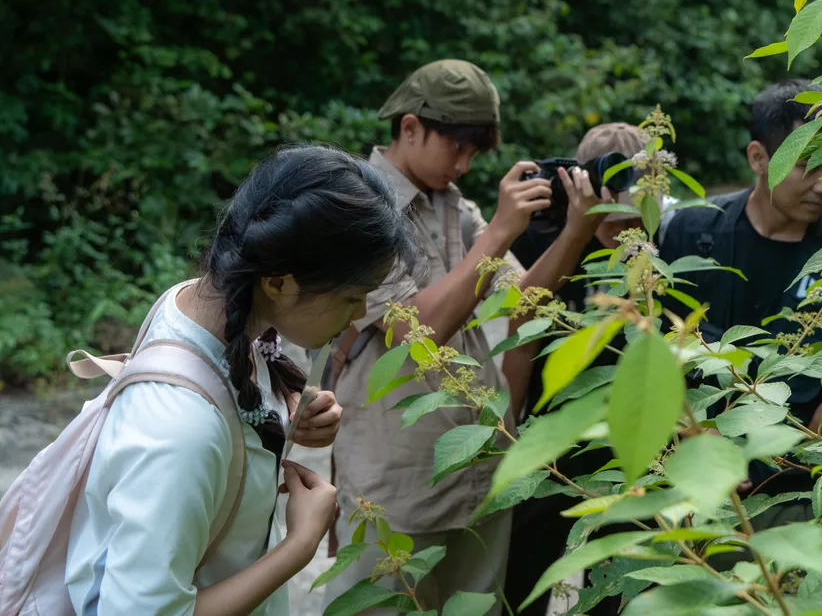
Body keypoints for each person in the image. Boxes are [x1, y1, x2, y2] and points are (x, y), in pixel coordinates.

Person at [64, 145, 416, 615]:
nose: (360, 314)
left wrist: (285, 405)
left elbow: (230, 393)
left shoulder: (198, 305)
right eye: (354, 296)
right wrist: (300, 546)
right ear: (278, 283)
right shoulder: (180, 432)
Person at [322, 60, 609, 615]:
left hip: (479, 472)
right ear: (410, 127)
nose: (464, 165)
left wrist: (577, 230)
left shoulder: (456, 207)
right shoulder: (357, 207)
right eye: (457, 147)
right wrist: (500, 231)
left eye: (475, 153)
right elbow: (416, 331)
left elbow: (521, 303)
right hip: (398, 481)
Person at [658, 78, 822, 531]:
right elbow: (644, 340)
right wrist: (688, 428)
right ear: (758, 158)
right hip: (681, 486)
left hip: (793, 490)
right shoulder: (691, 232)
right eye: (808, 165)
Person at [504, 121, 649, 616]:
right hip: (550, 441)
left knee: (619, 588)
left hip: (629, 447)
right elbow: (519, 325)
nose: (617, 223)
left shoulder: (660, 247)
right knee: (521, 583)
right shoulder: (543, 238)